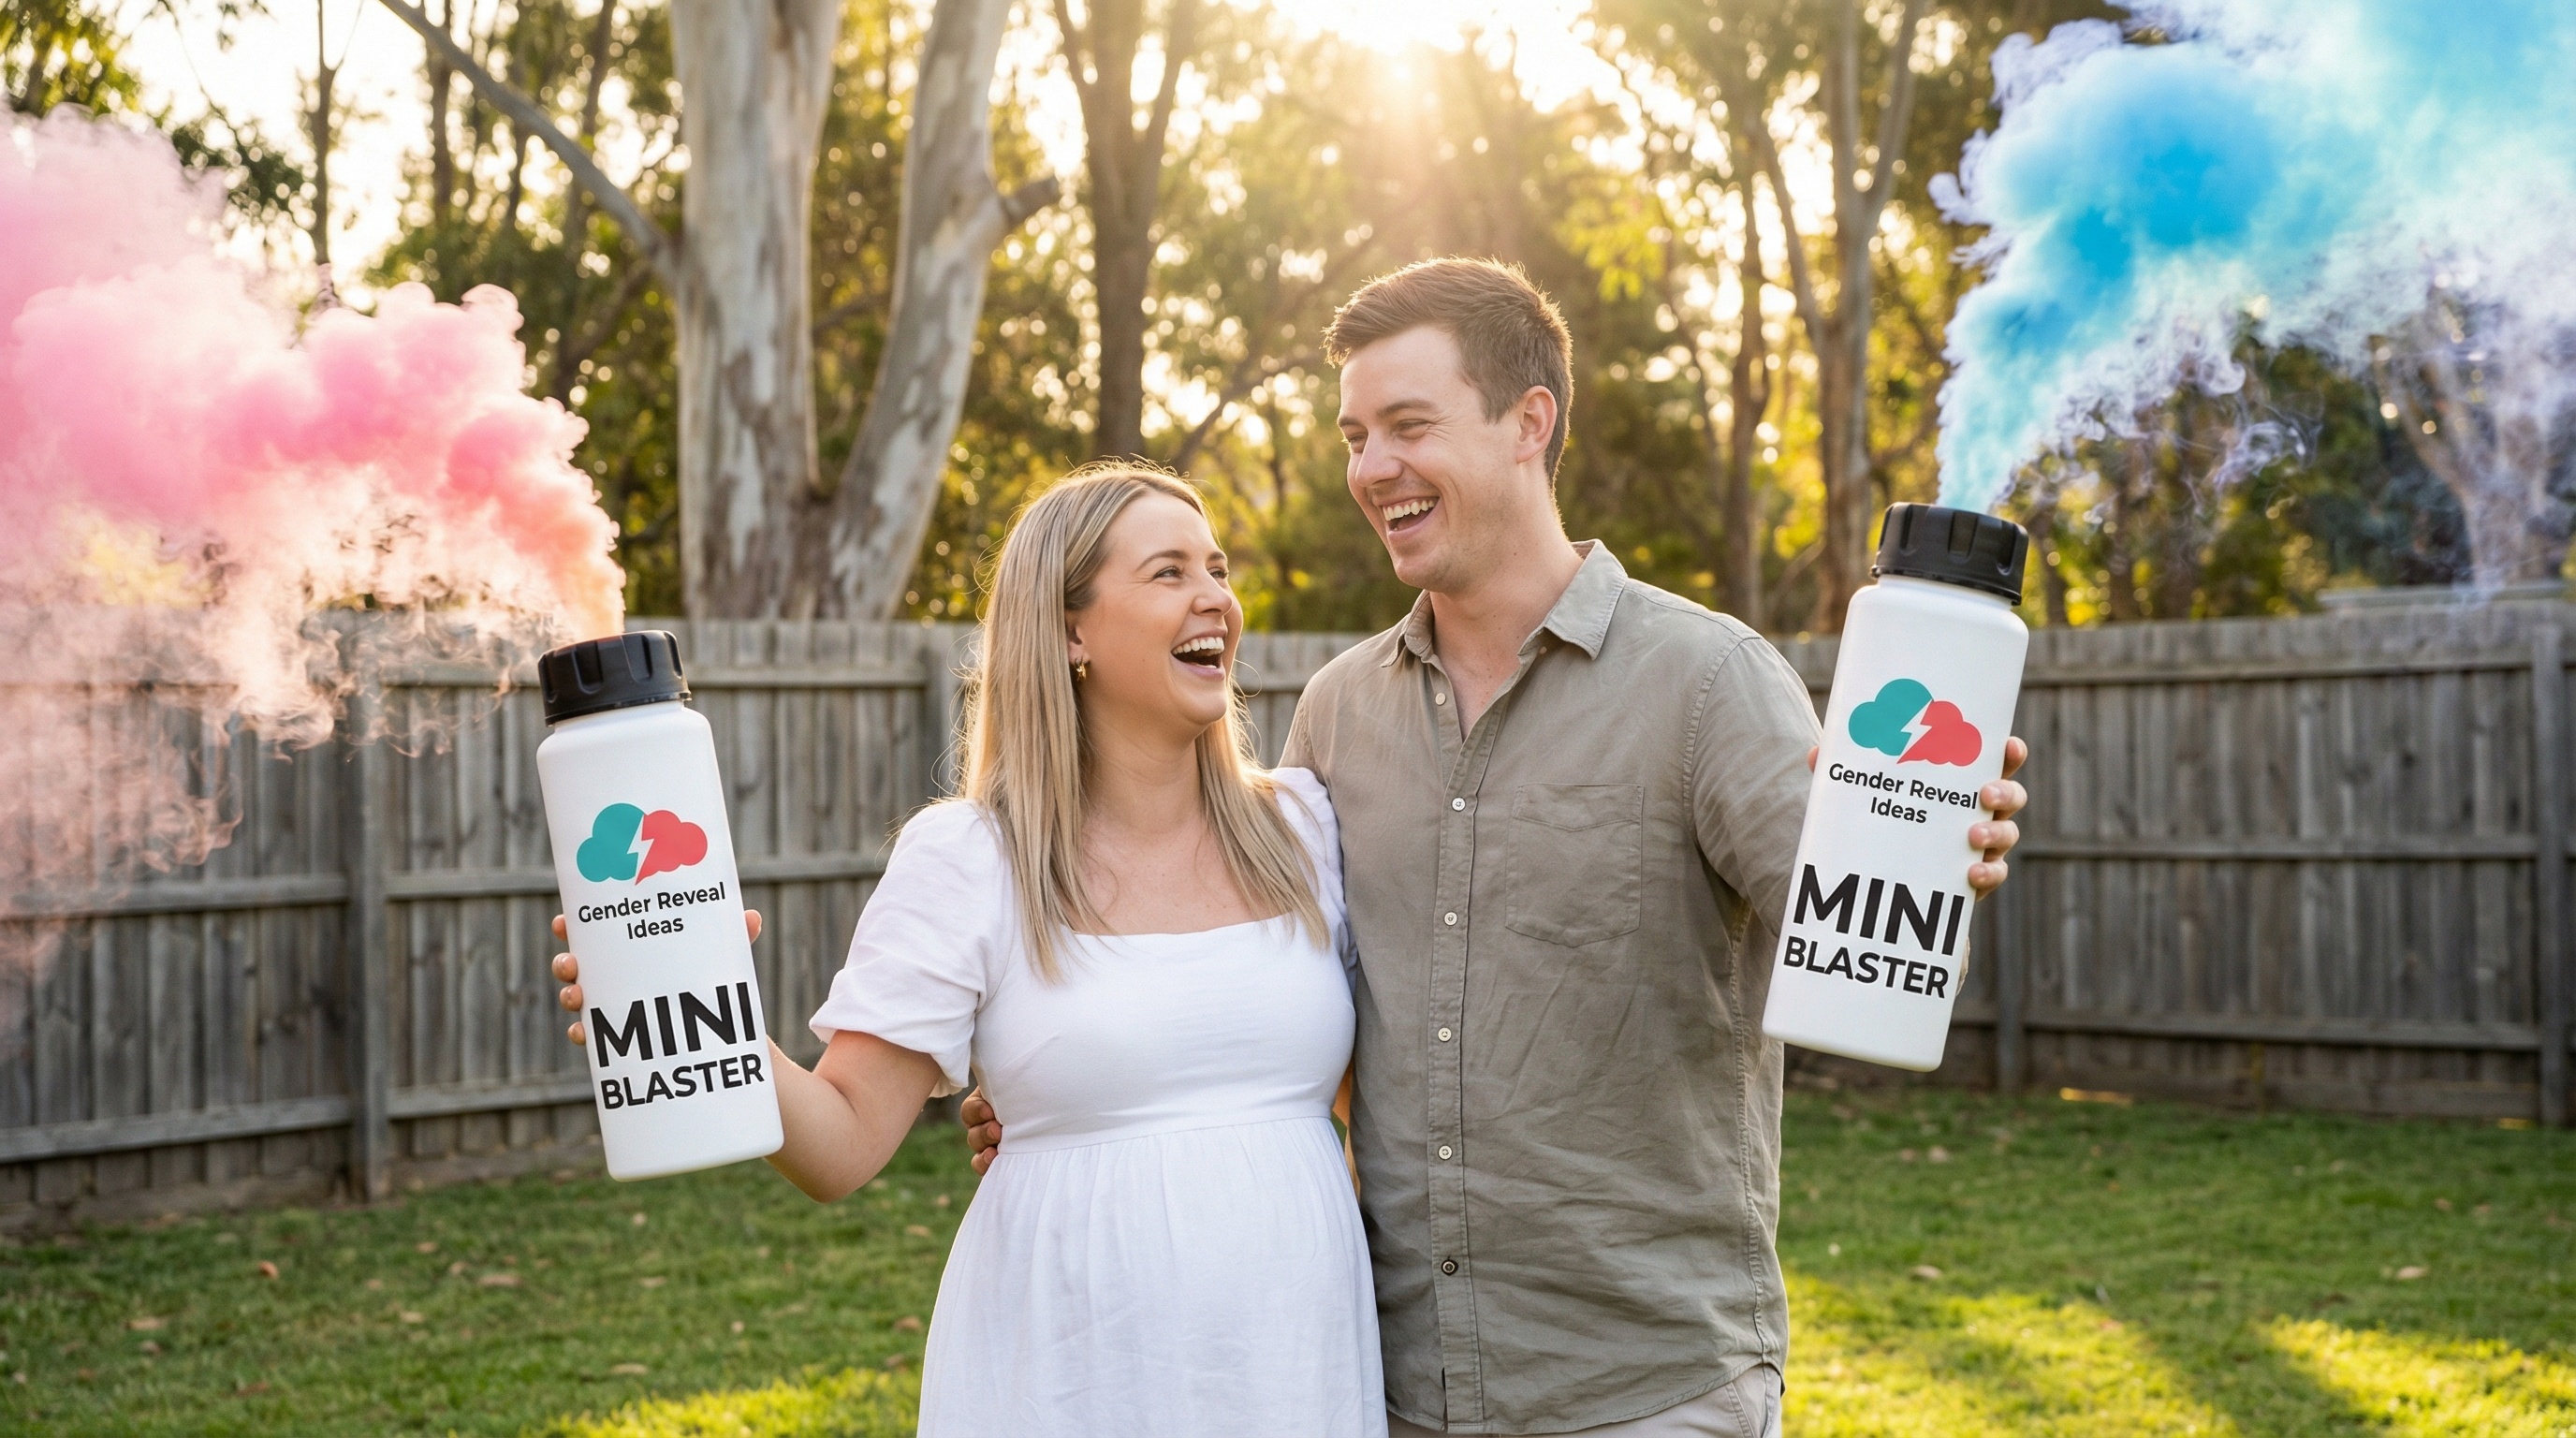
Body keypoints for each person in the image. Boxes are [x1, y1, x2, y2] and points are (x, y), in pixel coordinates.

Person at [968, 258, 2029, 1437]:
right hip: (1392, 1382)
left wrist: (1928, 842)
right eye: (1355, 436)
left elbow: (1870, 946)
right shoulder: (1336, 716)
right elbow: (1272, 993)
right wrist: (1070, 1089)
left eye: (1408, 426)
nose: (1372, 468)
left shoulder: (1707, 682)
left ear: (1530, 423)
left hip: (1641, 1388)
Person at [549, 467, 1385, 1437]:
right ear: (1069, 632)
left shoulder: (1305, 827)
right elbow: (840, 1146)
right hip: (1068, 1378)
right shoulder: (969, 858)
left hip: (1296, 1363)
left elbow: (1381, 1102)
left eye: (1217, 569)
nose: (1216, 599)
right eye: (1169, 572)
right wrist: (699, 997)